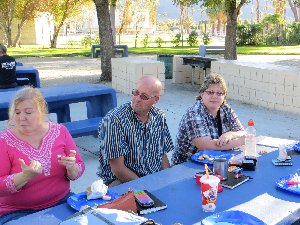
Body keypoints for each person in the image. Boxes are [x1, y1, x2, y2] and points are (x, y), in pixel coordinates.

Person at [0, 86, 85, 223]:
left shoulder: (60, 131)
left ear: (41, 112)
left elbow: (79, 166)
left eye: (28, 112)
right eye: (17, 113)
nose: (22, 117)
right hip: (16, 211)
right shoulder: (4, 141)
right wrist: (23, 177)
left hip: (62, 201)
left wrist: (72, 168)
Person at [98, 75, 174, 187]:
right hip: (122, 180)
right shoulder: (114, 120)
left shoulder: (159, 116)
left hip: (152, 176)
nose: (137, 99)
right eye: (136, 92)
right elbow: (118, 169)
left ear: (156, 99)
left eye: (144, 96)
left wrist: (168, 179)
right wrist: (145, 187)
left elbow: (162, 155)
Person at [172, 73, 246, 165]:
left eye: (219, 93)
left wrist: (230, 134)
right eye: (210, 92)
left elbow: (243, 133)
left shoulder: (226, 109)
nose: (215, 96)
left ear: (224, 96)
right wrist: (241, 140)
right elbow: (206, 146)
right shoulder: (194, 113)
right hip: (188, 166)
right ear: (202, 94)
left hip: (216, 160)